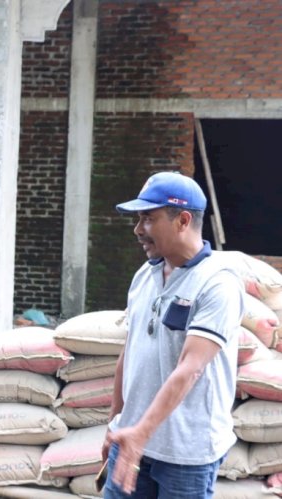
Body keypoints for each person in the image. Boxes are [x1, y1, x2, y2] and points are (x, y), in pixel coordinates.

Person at [102, 171, 244, 498]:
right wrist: (116, 424)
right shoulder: (145, 274)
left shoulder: (217, 284)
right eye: (138, 220)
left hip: (186, 455)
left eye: (148, 219)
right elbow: (131, 352)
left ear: (182, 220)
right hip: (131, 440)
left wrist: (140, 434)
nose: (138, 230)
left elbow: (190, 368)